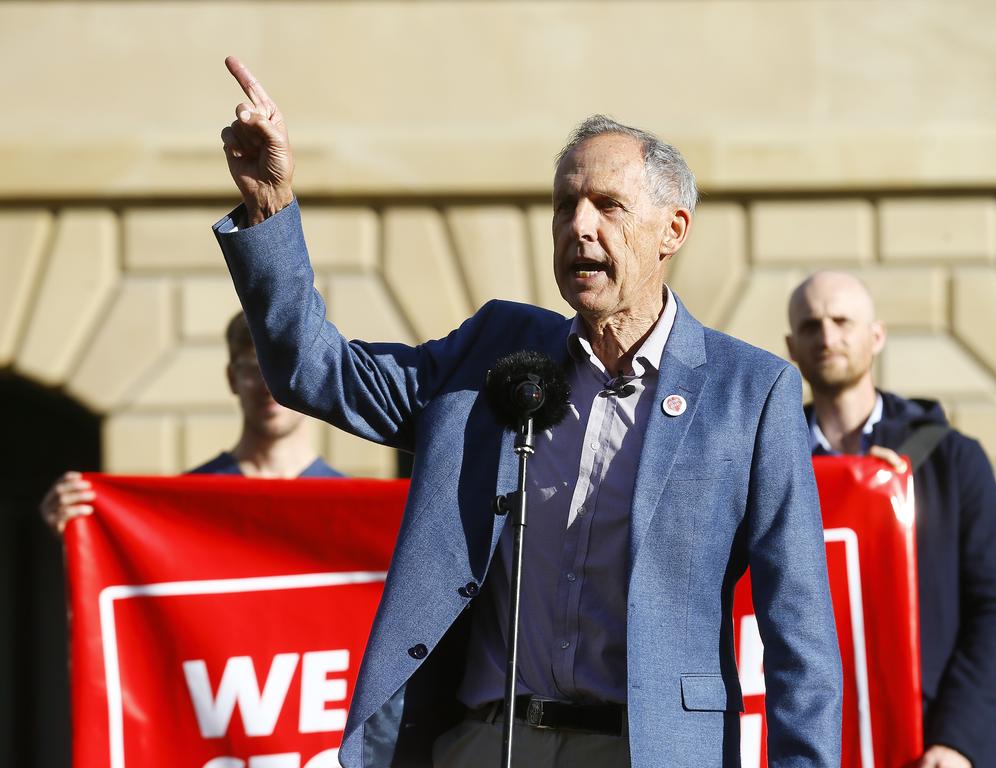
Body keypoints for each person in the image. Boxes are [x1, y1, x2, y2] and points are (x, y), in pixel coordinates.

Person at [214, 56, 842, 768]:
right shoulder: (492, 353)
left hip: (649, 749)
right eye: (564, 205)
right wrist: (270, 204)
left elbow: (801, 635)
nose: (579, 226)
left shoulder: (748, 392)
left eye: (608, 205)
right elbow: (313, 372)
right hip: (486, 741)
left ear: (673, 229)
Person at [786, 270, 996, 768]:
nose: (827, 337)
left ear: (876, 336)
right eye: (811, 325)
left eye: (842, 321)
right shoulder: (770, 462)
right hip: (816, 742)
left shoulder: (952, 459)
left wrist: (955, 740)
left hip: (938, 742)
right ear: (792, 345)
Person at [40, 310, 342, 533]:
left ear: (312, 379)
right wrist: (80, 533)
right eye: (253, 369)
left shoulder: (350, 504)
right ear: (231, 378)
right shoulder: (186, 504)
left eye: (282, 370)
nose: (269, 386)